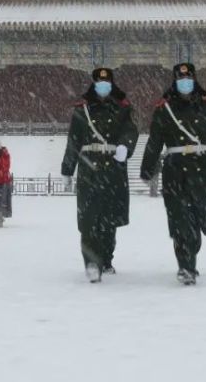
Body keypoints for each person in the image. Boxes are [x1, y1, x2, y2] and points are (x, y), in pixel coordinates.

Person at [140, 63, 206, 286]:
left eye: (189, 78)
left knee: (198, 217)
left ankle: (190, 256)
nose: (185, 82)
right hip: (174, 167)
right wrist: (148, 168)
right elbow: (155, 141)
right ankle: (186, 266)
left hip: (201, 166)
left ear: (194, 80)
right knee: (179, 218)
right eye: (181, 79)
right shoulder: (164, 109)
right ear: (175, 81)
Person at [62, 67, 139, 283]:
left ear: (111, 84)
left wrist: (125, 146)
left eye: (106, 83)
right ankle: (91, 263)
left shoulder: (122, 108)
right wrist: (67, 170)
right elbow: (74, 140)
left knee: (109, 219)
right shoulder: (82, 109)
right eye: (99, 83)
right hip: (89, 168)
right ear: (94, 85)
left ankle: (106, 259)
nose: (103, 86)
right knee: (89, 219)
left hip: (113, 168)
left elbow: (130, 130)